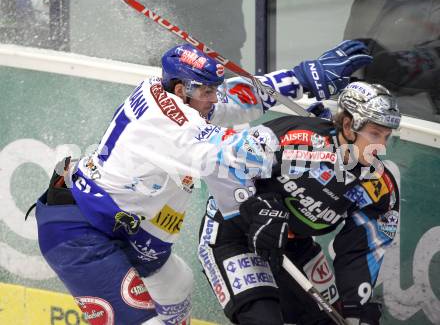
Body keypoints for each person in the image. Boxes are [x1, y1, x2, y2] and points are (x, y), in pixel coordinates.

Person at [32, 41, 371, 325]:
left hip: (124, 229)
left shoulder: (169, 92)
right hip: (80, 235)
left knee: (177, 284)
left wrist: (302, 77)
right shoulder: (169, 127)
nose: (215, 98)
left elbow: (235, 100)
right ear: (182, 90)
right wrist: (305, 138)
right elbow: (229, 152)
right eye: (207, 91)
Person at [198, 81, 401, 325]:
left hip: (294, 245)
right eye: (375, 134)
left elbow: (359, 251)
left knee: (331, 321)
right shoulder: (298, 139)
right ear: (348, 126)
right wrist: (258, 206)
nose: (381, 146)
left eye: (386, 136)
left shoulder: (378, 187)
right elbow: (222, 161)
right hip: (235, 234)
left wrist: (356, 308)